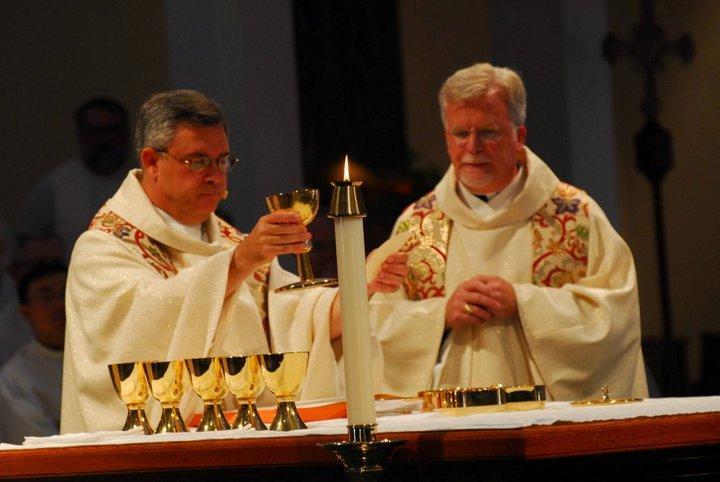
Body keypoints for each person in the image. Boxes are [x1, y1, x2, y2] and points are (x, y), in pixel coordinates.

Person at [61, 90, 407, 434]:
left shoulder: (228, 241)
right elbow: (143, 327)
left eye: (222, 160)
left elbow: (294, 320)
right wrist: (239, 263)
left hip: (241, 437)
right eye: (197, 161)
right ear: (152, 161)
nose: (214, 176)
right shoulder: (104, 248)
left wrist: (359, 289)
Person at [369, 63, 648, 401]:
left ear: (519, 137)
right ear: (446, 140)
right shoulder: (416, 226)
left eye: (488, 132)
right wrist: (440, 314)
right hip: (447, 420)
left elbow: (615, 315)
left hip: (550, 425)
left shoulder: (575, 215)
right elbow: (376, 324)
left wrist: (522, 302)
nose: (472, 147)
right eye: (460, 134)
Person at [20, 97, 132, 259]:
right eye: (95, 132)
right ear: (81, 135)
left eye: (113, 131)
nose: (105, 140)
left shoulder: (148, 178)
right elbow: (27, 243)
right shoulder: (55, 186)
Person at [0, 262, 66, 443]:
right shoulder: (14, 379)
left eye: (66, 293)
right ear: (25, 312)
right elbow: (41, 449)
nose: (60, 304)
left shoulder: (103, 355)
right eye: (47, 297)